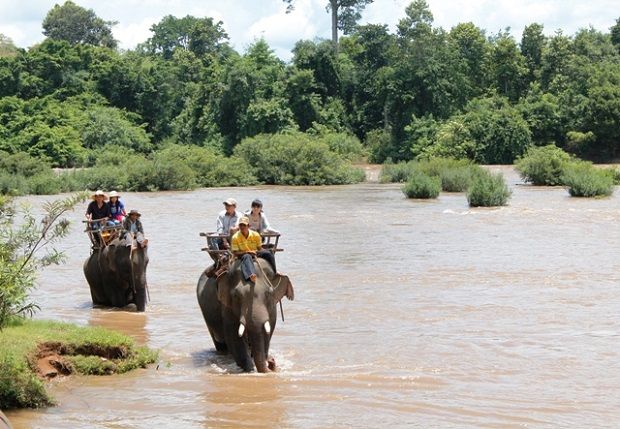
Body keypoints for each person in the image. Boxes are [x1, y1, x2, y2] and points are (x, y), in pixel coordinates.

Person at [231, 216, 277, 283]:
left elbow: (259, 248)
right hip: (243, 254)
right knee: (247, 256)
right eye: (241, 225)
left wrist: (261, 251)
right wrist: (248, 252)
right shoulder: (235, 237)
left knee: (268, 253)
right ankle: (251, 275)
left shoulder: (255, 235)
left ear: (248, 226)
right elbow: (235, 252)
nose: (242, 227)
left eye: (244, 225)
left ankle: (275, 272)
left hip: (255, 252)